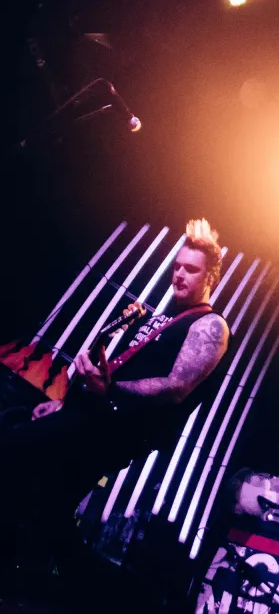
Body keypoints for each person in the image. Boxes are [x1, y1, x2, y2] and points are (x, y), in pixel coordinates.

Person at [0, 219, 232, 566]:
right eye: (177, 266)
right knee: (49, 503)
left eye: (191, 269)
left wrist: (110, 389)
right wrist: (65, 404)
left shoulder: (210, 325)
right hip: (93, 416)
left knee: (15, 448)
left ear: (211, 277)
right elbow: (118, 373)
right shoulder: (164, 318)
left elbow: (177, 387)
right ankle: (53, 574)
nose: (179, 275)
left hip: (119, 430)